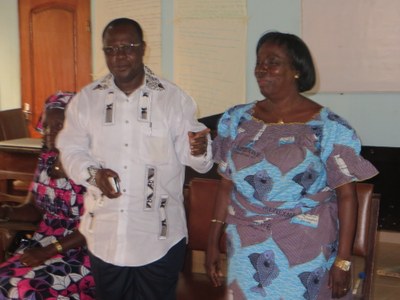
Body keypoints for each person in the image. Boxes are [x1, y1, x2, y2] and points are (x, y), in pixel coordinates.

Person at [205, 31, 378, 300]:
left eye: (272, 62)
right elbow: (226, 183)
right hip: (245, 241)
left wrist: (342, 261)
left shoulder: (328, 127)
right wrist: (212, 242)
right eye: (259, 62)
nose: (262, 69)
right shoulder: (236, 119)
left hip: (304, 247)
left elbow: (346, 196)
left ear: (296, 71)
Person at [56, 18, 213, 300]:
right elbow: (71, 150)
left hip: (158, 237)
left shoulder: (173, 99)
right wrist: (93, 174)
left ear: (143, 49)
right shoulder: (87, 100)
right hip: (105, 234)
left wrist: (199, 149)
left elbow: (197, 161)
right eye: (111, 49)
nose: (119, 56)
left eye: (127, 47)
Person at [0, 92, 95, 299]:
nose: (50, 132)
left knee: (27, 291)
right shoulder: (47, 159)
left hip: (82, 252)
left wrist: (49, 251)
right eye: (46, 126)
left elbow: (98, 225)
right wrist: (5, 211)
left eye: (59, 126)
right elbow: (34, 208)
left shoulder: (92, 166)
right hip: (42, 245)